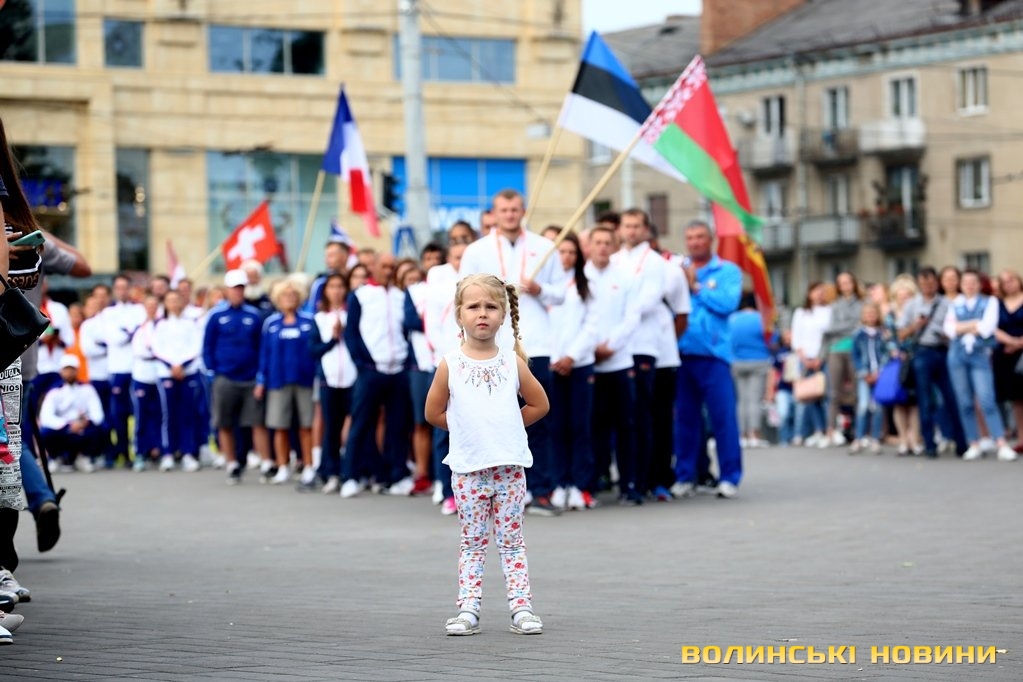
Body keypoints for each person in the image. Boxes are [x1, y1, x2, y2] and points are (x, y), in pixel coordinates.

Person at [424, 273, 548, 636]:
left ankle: (521, 608)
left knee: (512, 543)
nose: (482, 313)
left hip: (509, 469)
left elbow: (539, 404)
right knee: (473, 543)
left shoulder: (512, 362)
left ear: (503, 315)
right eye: (474, 306)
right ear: (459, 314)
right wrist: (467, 430)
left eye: (491, 307)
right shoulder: (450, 363)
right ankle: (468, 609)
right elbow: (433, 412)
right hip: (468, 470)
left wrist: (507, 426)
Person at [459, 189, 567, 515]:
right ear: (494, 213)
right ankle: (492, 491)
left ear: (523, 211)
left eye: (515, 209)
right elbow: (463, 294)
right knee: (489, 418)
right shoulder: (477, 250)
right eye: (504, 210)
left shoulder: (544, 247)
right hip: (492, 346)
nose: (509, 214)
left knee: (539, 418)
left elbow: (562, 293)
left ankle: (541, 489)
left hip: (536, 344)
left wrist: (540, 289)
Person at [673, 220, 743, 499]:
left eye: (700, 236)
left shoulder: (727, 270)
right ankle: (685, 476)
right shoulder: (677, 271)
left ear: (711, 239)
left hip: (714, 356)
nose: (695, 242)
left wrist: (697, 287)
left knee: (723, 419)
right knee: (685, 421)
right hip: (681, 354)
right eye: (690, 237)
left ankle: (729, 477)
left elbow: (728, 304)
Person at [341, 253, 412, 496]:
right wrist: (362, 363)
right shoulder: (360, 295)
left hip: (398, 369)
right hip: (371, 370)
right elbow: (351, 333)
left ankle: (397, 475)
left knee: (398, 426)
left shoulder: (400, 295)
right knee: (360, 423)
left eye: (392, 267)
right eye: (384, 266)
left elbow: (405, 330)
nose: (389, 271)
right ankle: (350, 476)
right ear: (374, 268)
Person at [611, 209, 668, 504]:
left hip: (642, 345)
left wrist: (622, 312)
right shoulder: (614, 260)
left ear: (645, 229)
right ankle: (623, 479)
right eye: (627, 226)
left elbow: (648, 301)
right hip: (616, 348)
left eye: (636, 226)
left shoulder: (655, 262)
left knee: (641, 416)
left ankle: (644, 479)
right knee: (621, 418)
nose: (631, 231)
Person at [424, 224, 476, 514]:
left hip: (475, 362)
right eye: (456, 256)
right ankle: (447, 490)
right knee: (445, 428)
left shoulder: (479, 281)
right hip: (446, 362)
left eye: (465, 256)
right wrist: (444, 357)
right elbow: (431, 322)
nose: (461, 261)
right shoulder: (438, 280)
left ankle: (476, 490)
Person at [547, 232, 598, 511]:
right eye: (561, 252)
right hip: (551, 365)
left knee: (580, 426)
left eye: (571, 252)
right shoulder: (544, 286)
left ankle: (581, 485)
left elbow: (592, 326)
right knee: (555, 426)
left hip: (579, 364)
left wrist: (571, 356)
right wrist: (555, 357)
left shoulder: (585, 285)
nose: (566, 257)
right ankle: (559, 482)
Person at [587, 225, 638, 502]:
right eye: (598, 242)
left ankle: (628, 483)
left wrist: (611, 346)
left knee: (626, 426)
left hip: (619, 362)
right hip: (589, 361)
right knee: (594, 426)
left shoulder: (626, 277)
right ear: (589, 246)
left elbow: (632, 317)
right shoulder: (580, 276)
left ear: (615, 246)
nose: (603, 247)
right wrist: (591, 348)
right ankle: (594, 480)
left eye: (608, 242)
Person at [203, 269, 269, 484]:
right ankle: (231, 463)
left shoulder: (254, 315)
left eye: (241, 288)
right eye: (234, 288)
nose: (238, 292)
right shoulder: (216, 315)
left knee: (257, 422)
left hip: (250, 377)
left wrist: (261, 376)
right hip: (225, 377)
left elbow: (261, 348)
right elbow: (208, 346)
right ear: (227, 290)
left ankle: (266, 463)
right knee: (225, 422)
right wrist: (213, 371)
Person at [944, 270, 1017, 461]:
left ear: (978, 284)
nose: (969, 285)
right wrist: (974, 323)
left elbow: (987, 328)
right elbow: (949, 330)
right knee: (965, 402)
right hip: (957, 355)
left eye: (973, 282)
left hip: (979, 355)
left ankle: (1000, 442)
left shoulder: (989, 301)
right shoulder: (955, 303)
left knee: (986, 399)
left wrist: (962, 327)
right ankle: (973, 442)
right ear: (961, 285)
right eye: (966, 282)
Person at [899, 267, 967, 458]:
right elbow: (901, 334)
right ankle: (930, 444)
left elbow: (954, 327)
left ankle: (961, 443)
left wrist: (947, 334)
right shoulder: (912, 304)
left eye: (930, 284)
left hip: (943, 351)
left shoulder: (946, 303)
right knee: (925, 399)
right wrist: (916, 325)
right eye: (923, 284)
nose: (927, 288)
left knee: (951, 397)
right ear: (919, 285)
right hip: (922, 352)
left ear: (936, 283)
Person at [256, 279, 318, 486]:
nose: (289, 298)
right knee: (280, 426)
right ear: (277, 299)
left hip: (305, 380)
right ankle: (282, 466)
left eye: (293, 294)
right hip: (278, 380)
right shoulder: (271, 323)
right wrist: (261, 380)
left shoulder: (309, 320)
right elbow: (264, 353)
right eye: (285, 295)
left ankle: (308, 465)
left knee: (306, 425)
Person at [311, 273, 357, 494]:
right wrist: (332, 338)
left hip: (352, 378)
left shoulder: (353, 315)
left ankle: (352, 471)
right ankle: (331, 472)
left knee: (354, 426)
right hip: (328, 380)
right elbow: (313, 350)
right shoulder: (319, 318)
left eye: (340, 286)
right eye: (332, 287)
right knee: (332, 427)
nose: (336, 291)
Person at [151, 289, 204, 472]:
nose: (173, 304)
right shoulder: (160, 325)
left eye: (176, 300)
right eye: (170, 300)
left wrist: (182, 364)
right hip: (167, 373)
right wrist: (171, 366)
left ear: (182, 302)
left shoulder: (190, 324)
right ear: (165, 304)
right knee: (168, 414)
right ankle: (168, 453)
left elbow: (196, 346)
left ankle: (187, 452)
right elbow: (157, 348)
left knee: (187, 414)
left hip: (187, 373)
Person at [102, 274, 146, 468]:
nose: (122, 291)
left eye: (125, 287)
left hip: (137, 368)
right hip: (118, 368)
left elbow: (142, 334)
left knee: (139, 412)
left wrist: (127, 332)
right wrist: (131, 331)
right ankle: (123, 452)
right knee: (119, 414)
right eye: (119, 287)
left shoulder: (139, 309)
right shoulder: (108, 313)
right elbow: (114, 338)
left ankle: (140, 451)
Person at [38, 354, 106, 470]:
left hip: (82, 427)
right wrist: (68, 425)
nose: (69, 373)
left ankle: (84, 457)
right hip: (62, 429)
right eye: (66, 370)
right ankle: (55, 457)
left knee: (101, 428)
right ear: (61, 371)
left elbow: (97, 414)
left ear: (77, 370)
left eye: (72, 370)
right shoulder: (54, 391)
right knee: (45, 432)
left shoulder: (87, 389)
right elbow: (46, 417)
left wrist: (85, 422)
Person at [822, 272, 863, 447]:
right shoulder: (834, 305)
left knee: (857, 393)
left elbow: (860, 325)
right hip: (835, 350)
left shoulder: (861, 304)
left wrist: (841, 327)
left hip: (854, 350)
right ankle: (830, 430)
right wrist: (851, 325)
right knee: (834, 393)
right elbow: (829, 329)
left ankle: (859, 431)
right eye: (842, 283)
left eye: (848, 282)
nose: (845, 286)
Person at [729, 292, 773, 448]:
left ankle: (741, 435)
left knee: (741, 400)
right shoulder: (762, 319)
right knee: (754, 399)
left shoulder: (732, 319)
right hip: (759, 361)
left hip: (736, 362)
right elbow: (772, 340)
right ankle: (754, 435)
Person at [790, 282, 831, 446]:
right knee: (809, 396)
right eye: (816, 291)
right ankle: (817, 430)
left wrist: (820, 358)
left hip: (823, 357)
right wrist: (804, 358)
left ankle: (828, 429)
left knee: (825, 394)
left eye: (822, 291)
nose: (819, 294)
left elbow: (828, 337)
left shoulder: (829, 311)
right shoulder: (801, 312)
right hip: (805, 358)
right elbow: (796, 337)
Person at [130, 294, 164, 471]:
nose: (152, 308)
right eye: (148, 305)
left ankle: (159, 450)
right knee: (141, 415)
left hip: (159, 373)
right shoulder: (139, 326)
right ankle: (139, 453)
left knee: (159, 415)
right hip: (142, 374)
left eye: (154, 305)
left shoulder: (162, 325)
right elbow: (138, 349)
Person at [850, 303, 889, 454]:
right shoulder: (858, 334)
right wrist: (863, 372)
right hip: (864, 376)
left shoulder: (883, 334)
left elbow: (886, 353)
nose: (870, 316)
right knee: (863, 406)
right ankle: (858, 438)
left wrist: (880, 371)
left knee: (877, 407)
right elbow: (855, 355)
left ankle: (875, 439)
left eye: (873, 313)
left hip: (879, 374)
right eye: (867, 314)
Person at [994, 269, 1023, 451]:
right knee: (1016, 399)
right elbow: (992, 327)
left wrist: (1019, 343)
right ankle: (1021, 438)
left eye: (1011, 279)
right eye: (1004, 282)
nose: (1009, 284)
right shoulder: (997, 304)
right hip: (1006, 354)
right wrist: (1012, 342)